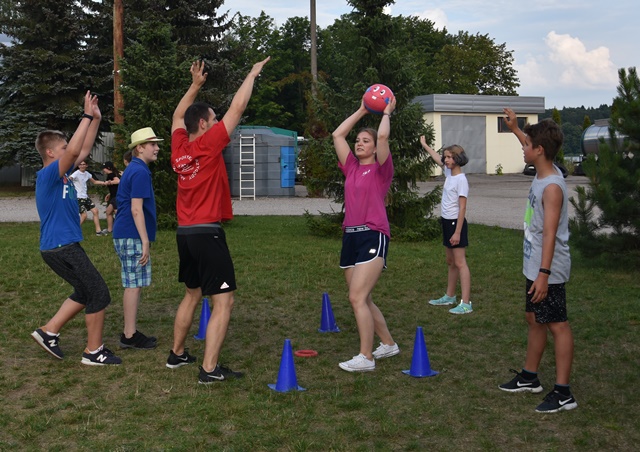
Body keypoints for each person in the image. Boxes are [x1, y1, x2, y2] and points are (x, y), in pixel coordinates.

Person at [169, 57, 270, 383]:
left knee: (192, 293)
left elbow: (177, 117)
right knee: (224, 301)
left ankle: (177, 353)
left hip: (185, 234)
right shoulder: (209, 144)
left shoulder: (179, 148)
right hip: (207, 234)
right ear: (203, 124)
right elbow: (238, 108)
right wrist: (251, 74)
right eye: (214, 119)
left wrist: (195, 86)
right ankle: (209, 370)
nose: (217, 123)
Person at [30, 92, 121, 366]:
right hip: (62, 247)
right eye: (63, 147)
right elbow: (73, 152)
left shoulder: (62, 175)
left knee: (84, 291)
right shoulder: (48, 175)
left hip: (60, 247)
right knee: (99, 293)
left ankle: (48, 331)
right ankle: (94, 351)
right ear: (50, 152)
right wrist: (85, 115)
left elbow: (82, 150)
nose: (69, 149)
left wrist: (95, 119)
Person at [498, 108, 577, 413]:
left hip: (549, 268)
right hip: (535, 265)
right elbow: (532, 144)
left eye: (527, 144)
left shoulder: (552, 187)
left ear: (540, 150)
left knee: (558, 325)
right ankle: (530, 377)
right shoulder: (545, 169)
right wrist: (516, 129)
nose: (523, 147)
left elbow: (550, 234)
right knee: (534, 318)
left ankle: (564, 392)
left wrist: (544, 274)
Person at [332, 96, 399, 373]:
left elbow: (383, 137)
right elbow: (338, 135)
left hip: (373, 235)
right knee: (364, 297)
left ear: (374, 148)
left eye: (365, 141)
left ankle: (366, 357)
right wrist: (361, 109)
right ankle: (388, 344)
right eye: (358, 140)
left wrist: (386, 113)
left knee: (357, 298)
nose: (359, 143)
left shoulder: (382, 170)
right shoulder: (351, 167)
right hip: (351, 236)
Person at [112, 127, 161, 350]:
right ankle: (129, 335)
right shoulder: (139, 171)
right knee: (133, 285)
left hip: (127, 233)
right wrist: (145, 241)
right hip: (131, 234)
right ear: (139, 148)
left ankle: (129, 332)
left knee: (135, 283)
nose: (157, 148)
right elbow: (136, 209)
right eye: (152, 144)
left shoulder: (135, 168)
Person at [420, 137, 473, 314]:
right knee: (451, 262)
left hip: (455, 224)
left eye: (450, 157)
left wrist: (457, 232)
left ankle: (466, 303)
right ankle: (450, 296)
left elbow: (462, 207)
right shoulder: (450, 174)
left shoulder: (461, 180)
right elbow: (437, 158)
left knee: (460, 263)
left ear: (458, 158)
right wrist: (425, 146)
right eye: (446, 157)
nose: (446, 160)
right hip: (446, 222)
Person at [69, 160, 108, 236]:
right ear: (78, 166)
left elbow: (94, 182)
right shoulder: (76, 173)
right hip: (78, 197)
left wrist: (104, 183)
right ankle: (73, 231)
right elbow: (69, 179)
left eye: (84, 164)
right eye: (80, 164)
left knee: (95, 211)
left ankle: (98, 231)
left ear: (86, 165)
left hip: (85, 197)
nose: (82, 166)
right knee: (84, 216)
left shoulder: (87, 174)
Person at [102, 161, 120, 234]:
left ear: (108, 168)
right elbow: (116, 187)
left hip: (116, 197)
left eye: (104, 168)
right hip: (113, 196)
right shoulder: (112, 174)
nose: (103, 170)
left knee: (118, 213)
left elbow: (118, 181)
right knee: (108, 212)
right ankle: (110, 229)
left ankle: (120, 229)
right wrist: (109, 194)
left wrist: (109, 182)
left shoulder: (111, 175)